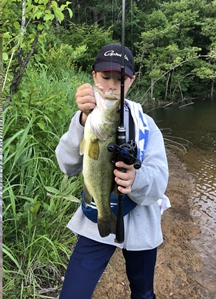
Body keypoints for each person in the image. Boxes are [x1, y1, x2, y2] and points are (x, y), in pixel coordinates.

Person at [55, 44, 170, 299]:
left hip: (142, 224)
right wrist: (82, 121)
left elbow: (159, 179)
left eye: (120, 79)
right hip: (97, 216)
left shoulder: (147, 126)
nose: (111, 86)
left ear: (131, 81)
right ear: (94, 76)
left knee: (143, 294)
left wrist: (136, 179)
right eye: (105, 77)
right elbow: (67, 165)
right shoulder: (90, 119)